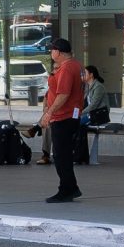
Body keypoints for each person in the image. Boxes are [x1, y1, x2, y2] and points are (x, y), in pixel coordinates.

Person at [40, 36, 84, 203]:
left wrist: (49, 113)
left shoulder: (66, 68)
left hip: (64, 116)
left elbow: (63, 94)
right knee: (63, 154)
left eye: (52, 50)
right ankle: (70, 187)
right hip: (70, 115)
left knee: (61, 155)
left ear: (58, 52)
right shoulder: (76, 65)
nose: (51, 52)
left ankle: (67, 189)